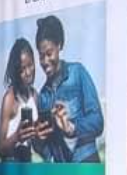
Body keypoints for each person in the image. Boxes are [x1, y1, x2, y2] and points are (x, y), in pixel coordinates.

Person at [32, 15, 103, 162]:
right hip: (63, 172)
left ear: (59, 45)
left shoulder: (78, 73)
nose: (44, 61)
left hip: (87, 163)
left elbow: (97, 121)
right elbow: (43, 149)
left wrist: (71, 128)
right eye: (40, 56)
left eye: (49, 53)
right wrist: (38, 139)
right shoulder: (43, 96)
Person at [0, 39, 39, 162]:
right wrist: (17, 137)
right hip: (11, 170)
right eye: (22, 69)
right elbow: (1, 150)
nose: (28, 73)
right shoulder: (10, 98)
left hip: (28, 166)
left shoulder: (35, 95)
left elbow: (35, 144)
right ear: (16, 71)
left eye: (30, 65)